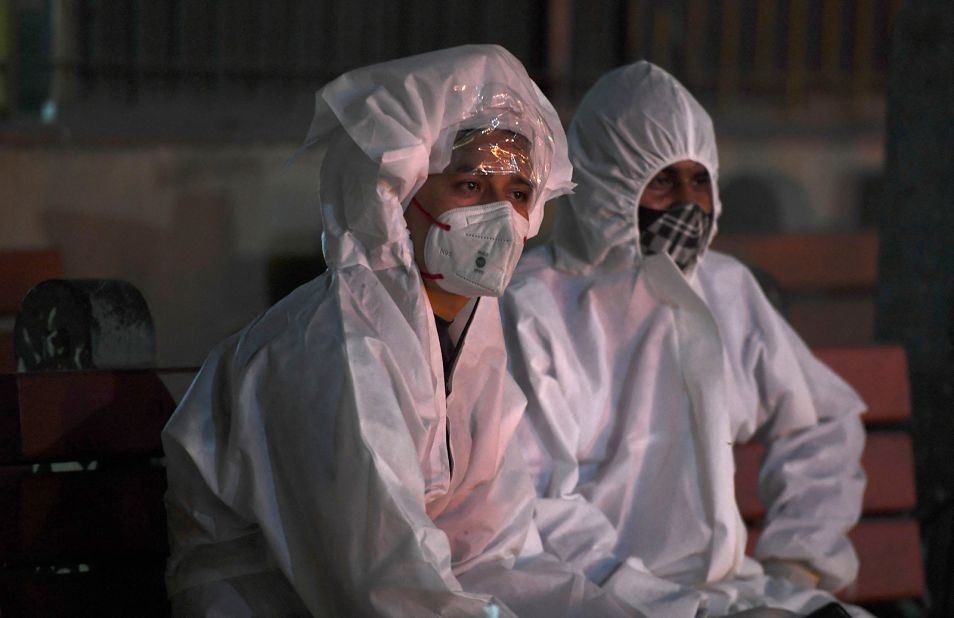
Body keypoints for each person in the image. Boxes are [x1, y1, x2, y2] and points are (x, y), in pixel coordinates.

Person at [162, 45, 637, 617]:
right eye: (469, 186)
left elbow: (492, 554)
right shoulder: (333, 348)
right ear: (395, 193)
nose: (500, 218)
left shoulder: (469, 344)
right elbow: (386, 586)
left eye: (518, 194)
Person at [500, 61, 871, 617]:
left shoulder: (725, 289)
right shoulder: (534, 305)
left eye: (700, 180)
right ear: (604, 182)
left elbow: (822, 422)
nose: (688, 205)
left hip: (735, 592)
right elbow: (535, 502)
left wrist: (799, 558)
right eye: (661, 182)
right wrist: (658, 603)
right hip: (603, 601)